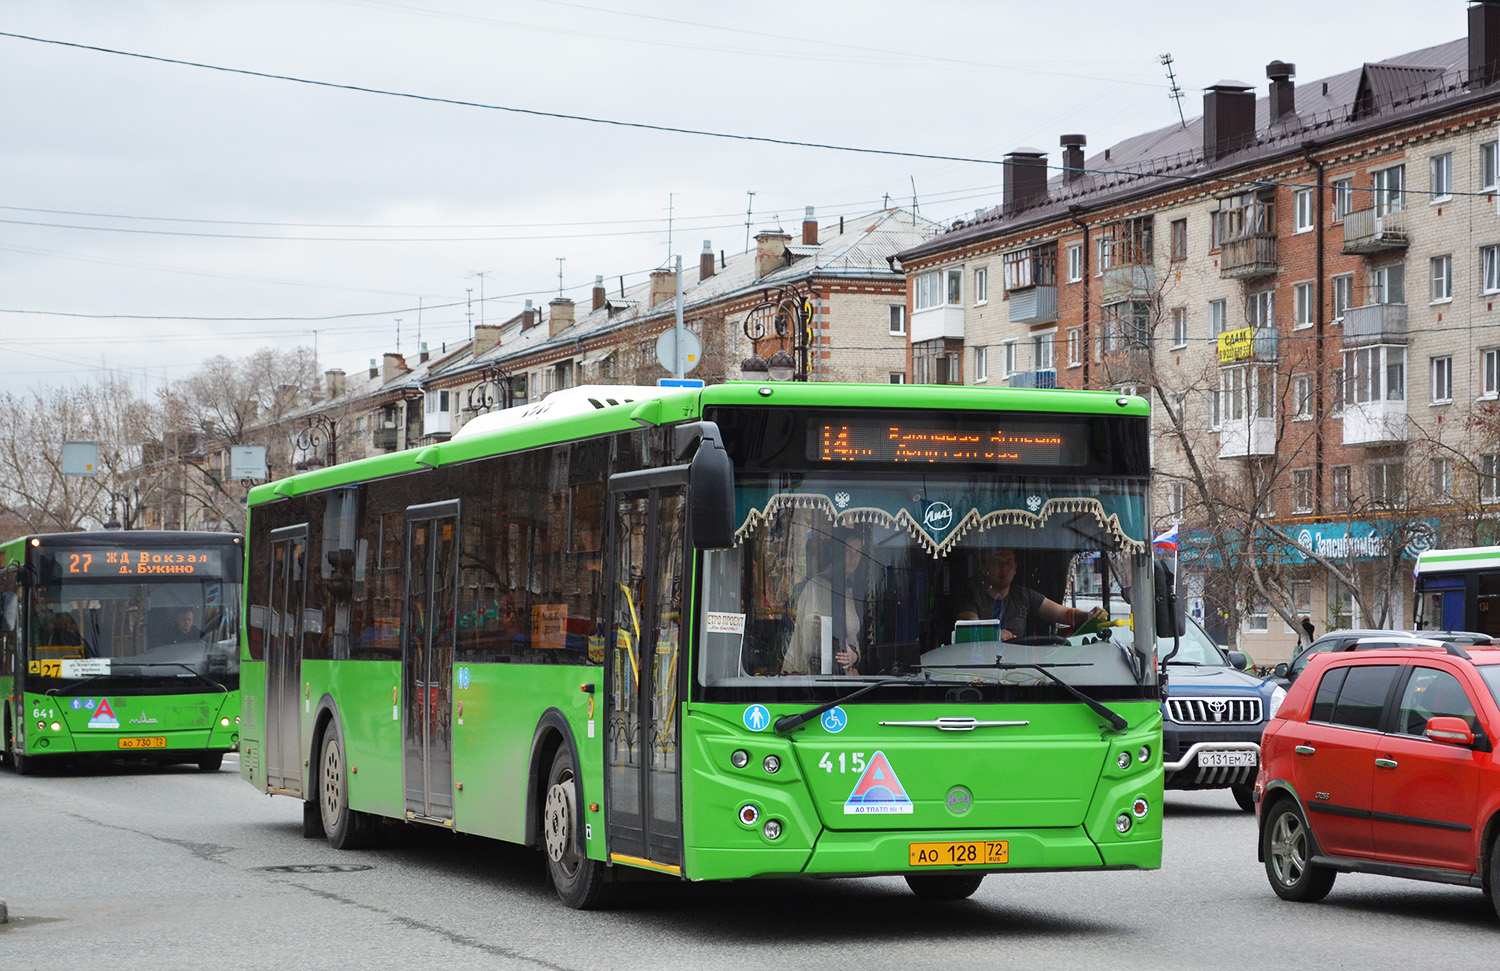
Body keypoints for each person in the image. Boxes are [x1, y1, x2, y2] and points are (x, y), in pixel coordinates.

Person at [956, 548, 1104, 641]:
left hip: (1020, 667)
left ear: (1015, 568)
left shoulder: (1023, 595)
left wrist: (1088, 616)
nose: (1003, 568)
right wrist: (994, 635)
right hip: (983, 668)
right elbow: (969, 628)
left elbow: (1064, 613)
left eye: (1008, 562)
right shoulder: (974, 597)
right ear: (984, 568)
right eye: (996, 562)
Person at [781, 529, 870, 675]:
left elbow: (853, 639)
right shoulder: (817, 587)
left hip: (843, 677)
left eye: (858, 552)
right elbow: (811, 642)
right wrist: (836, 655)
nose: (854, 558)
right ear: (835, 553)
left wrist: (853, 656)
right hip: (814, 681)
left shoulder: (846, 591)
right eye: (848, 551)